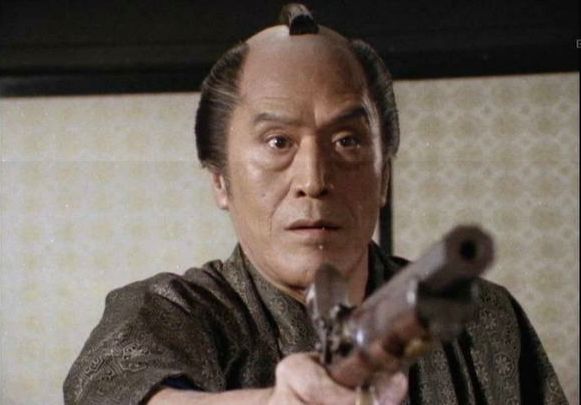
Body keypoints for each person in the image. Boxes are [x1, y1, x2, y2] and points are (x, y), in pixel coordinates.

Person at [64, 4, 567, 405]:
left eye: (347, 141)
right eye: (278, 142)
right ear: (220, 181)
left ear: (384, 176)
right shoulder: (169, 310)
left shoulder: (484, 318)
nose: (314, 180)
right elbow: (113, 386)